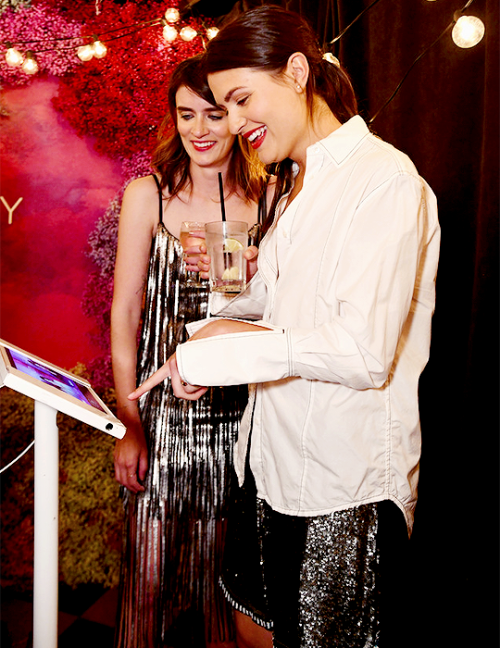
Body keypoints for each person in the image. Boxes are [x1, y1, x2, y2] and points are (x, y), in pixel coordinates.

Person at [130, 6, 441, 648]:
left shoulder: (383, 182)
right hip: (269, 467)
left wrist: (209, 360)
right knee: (251, 628)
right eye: (222, 105)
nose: (234, 123)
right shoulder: (298, 184)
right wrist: (219, 312)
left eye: (241, 99)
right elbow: (276, 300)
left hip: (343, 489)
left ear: (296, 72)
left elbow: (362, 352)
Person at [111, 53, 270, 648]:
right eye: (186, 115)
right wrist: (129, 421)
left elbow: (278, 313)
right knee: (145, 586)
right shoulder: (147, 195)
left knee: (221, 591)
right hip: (161, 415)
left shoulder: (268, 197)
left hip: (240, 418)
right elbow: (125, 312)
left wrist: (254, 268)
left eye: (214, 113)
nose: (200, 130)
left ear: (236, 116)